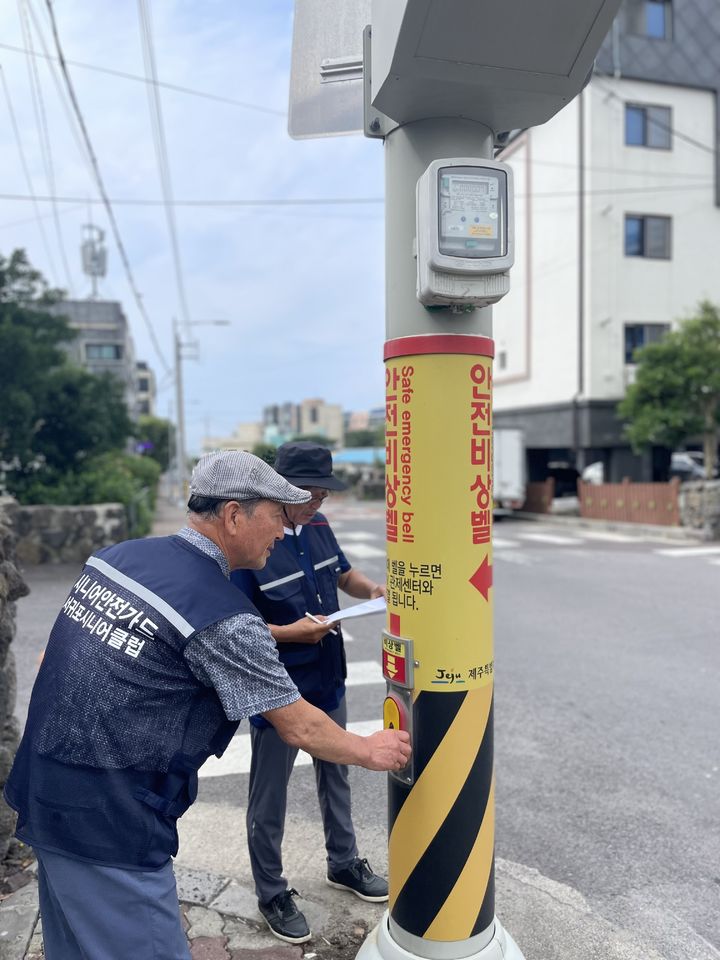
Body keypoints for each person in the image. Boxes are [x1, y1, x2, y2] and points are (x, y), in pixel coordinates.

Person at [3, 450, 410, 960]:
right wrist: (371, 749)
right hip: (110, 821)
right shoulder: (220, 614)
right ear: (235, 514)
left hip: (43, 790)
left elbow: (52, 655)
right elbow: (300, 727)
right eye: (276, 516)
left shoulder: (117, 557)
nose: (283, 532)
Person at [231, 441, 387, 945]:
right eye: (311, 491)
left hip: (327, 672)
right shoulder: (254, 540)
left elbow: (340, 571)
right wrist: (292, 632)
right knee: (269, 791)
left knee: (336, 772)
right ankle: (272, 889)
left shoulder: (318, 525)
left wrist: (371, 591)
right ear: (283, 489)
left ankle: (343, 863)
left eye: (324, 491)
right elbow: (236, 625)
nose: (319, 500)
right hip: (277, 684)